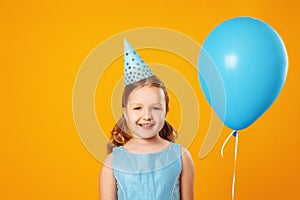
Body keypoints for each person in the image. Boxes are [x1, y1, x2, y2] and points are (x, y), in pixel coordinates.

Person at [100, 39, 194, 200]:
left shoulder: (181, 156)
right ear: (125, 112)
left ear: (165, 111)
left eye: (156, 108)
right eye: (138, 108)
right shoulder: (112, 162)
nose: (147, 116)